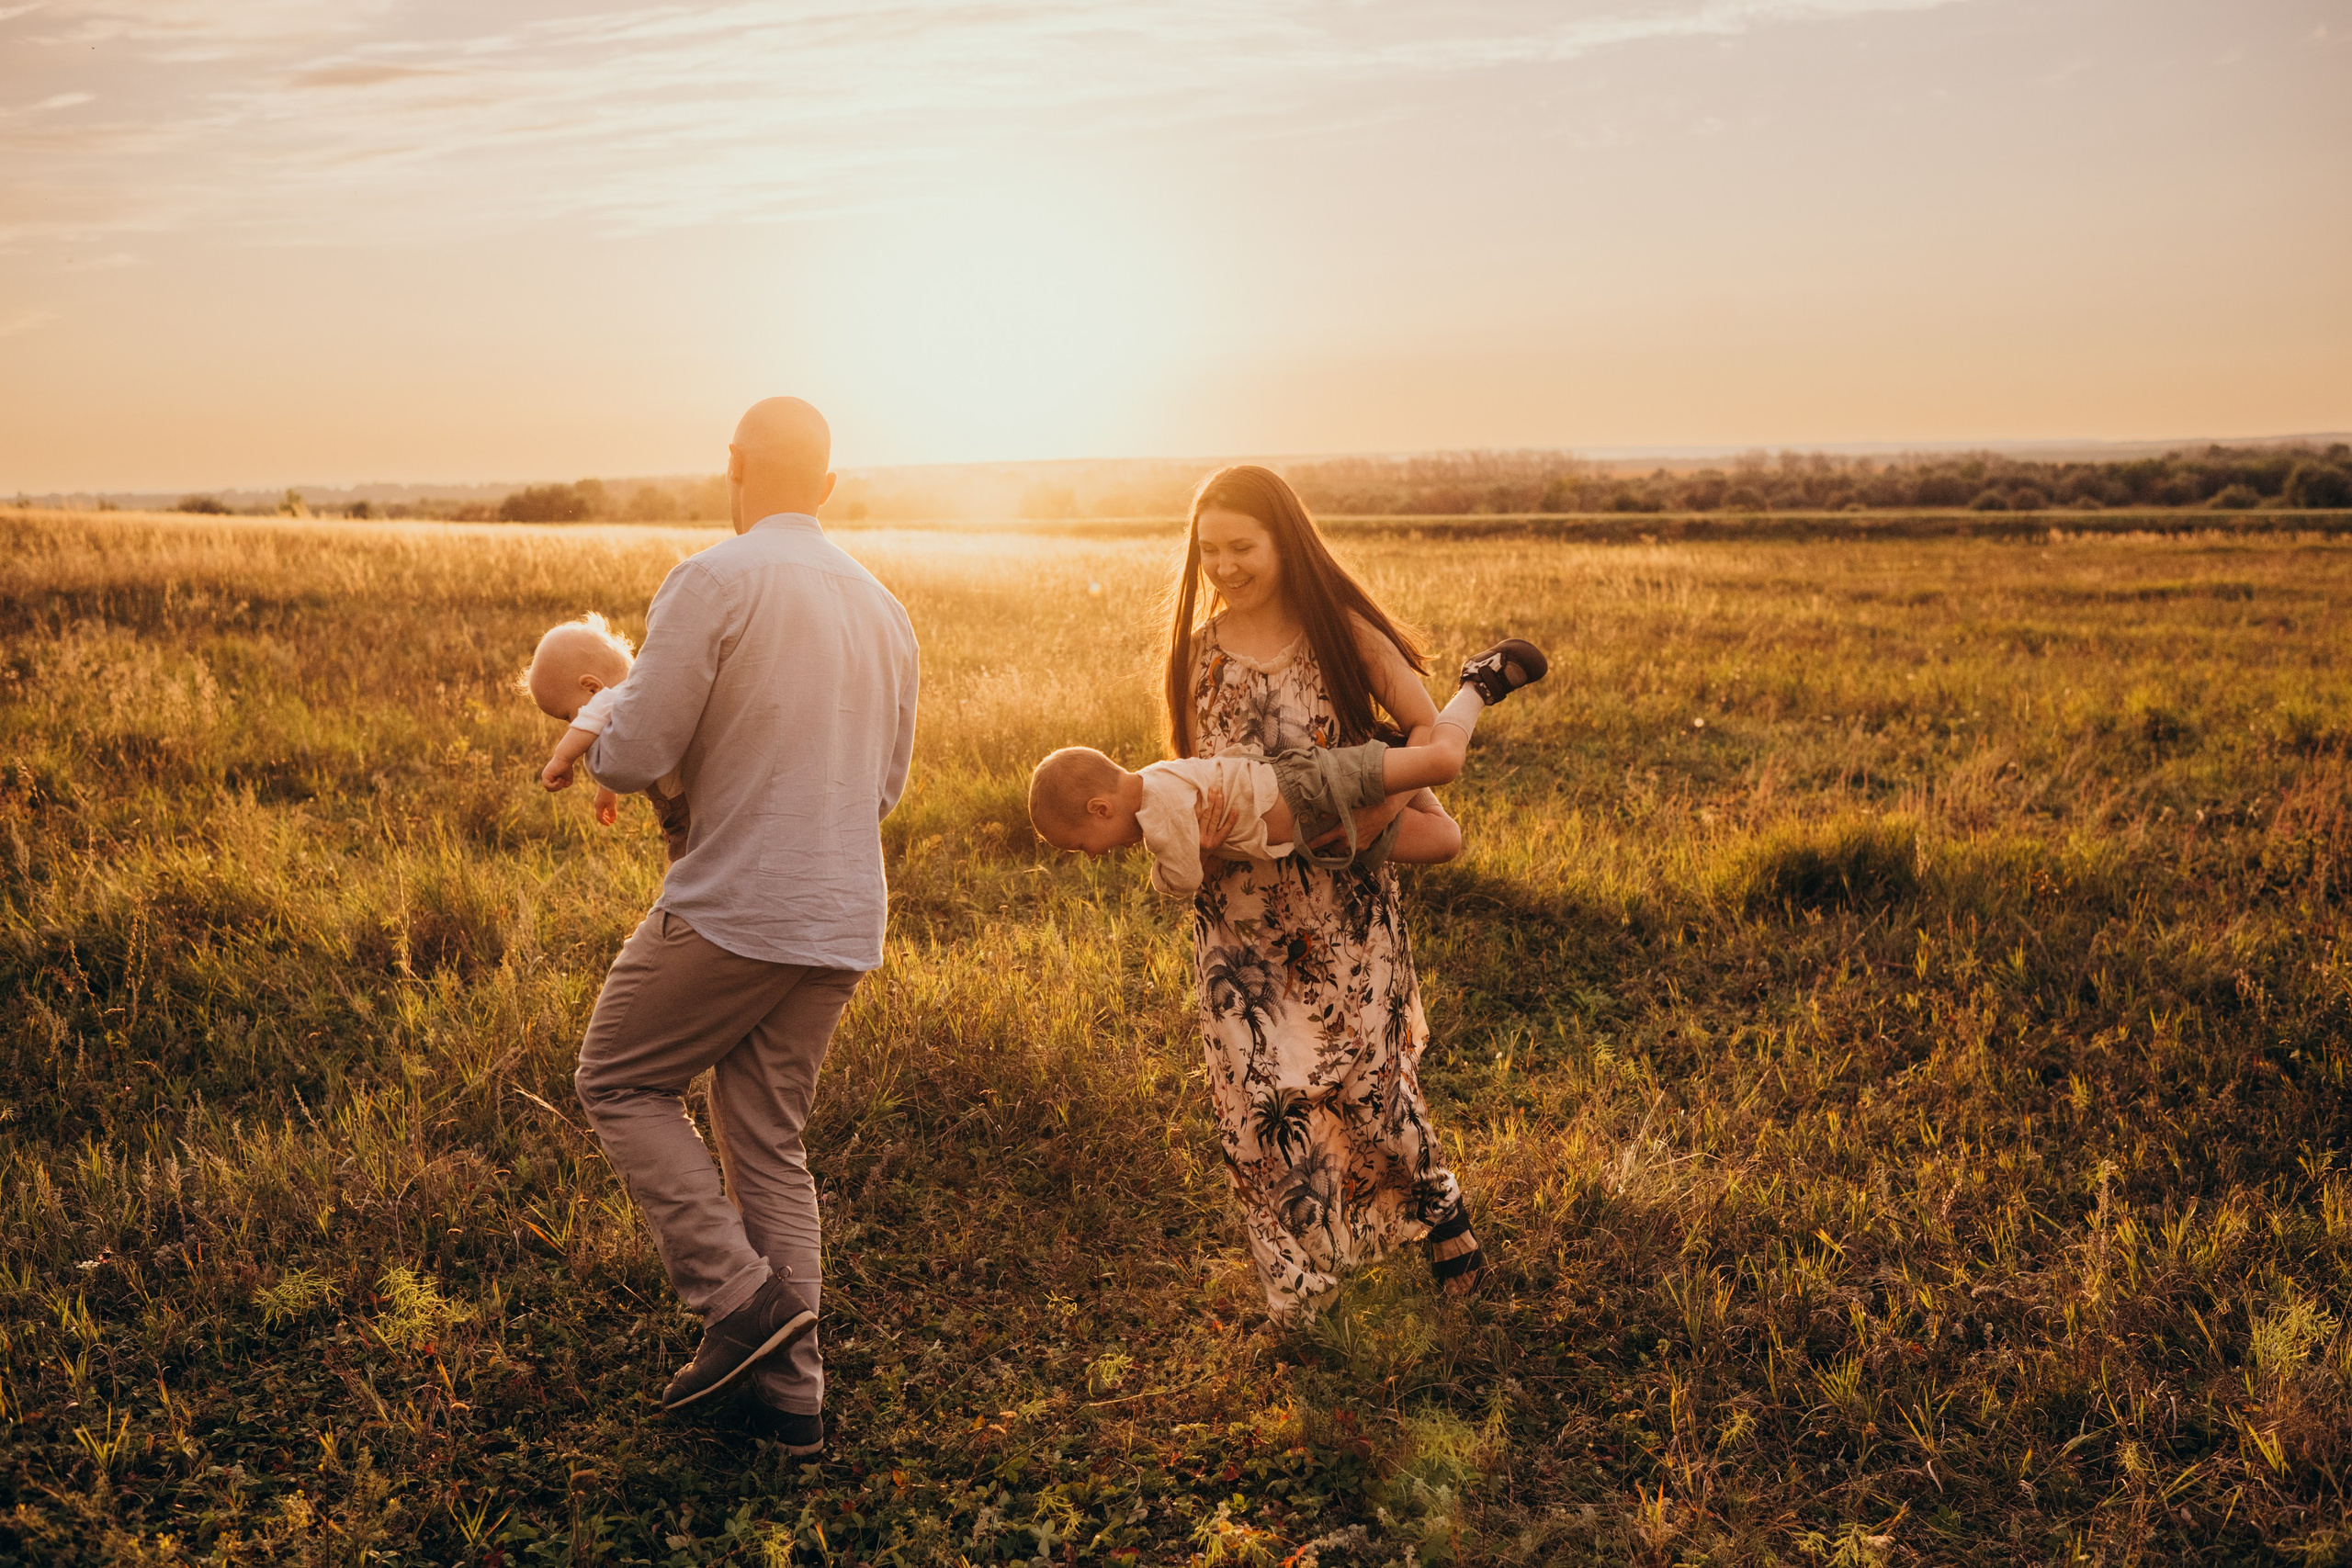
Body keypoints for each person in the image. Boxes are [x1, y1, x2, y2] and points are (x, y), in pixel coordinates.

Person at [567, 397, 919, 1455]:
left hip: (737, 906)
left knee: (616, 1078)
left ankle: (740, 1302)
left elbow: (632, 756)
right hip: (843, 911)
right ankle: (792, 1409)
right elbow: (887, 786)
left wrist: (594, 718)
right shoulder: (884, 606)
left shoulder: (713, 580)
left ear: (732, 466)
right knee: (768, 1141)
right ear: (825, 486)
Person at [1162, 464, 1532, 1320]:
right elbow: (1193, 778)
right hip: (1240, 922)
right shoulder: (1199, 655)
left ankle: (1439, 1209)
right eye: (1207, 549)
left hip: (1339, 909)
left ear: (1283, 540)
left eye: (1240, 547)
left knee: (1364, 1083)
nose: (1222, 565)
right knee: (1256, 1100)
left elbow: (1425, 735)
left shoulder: (1343, 632)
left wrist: (1369, 820)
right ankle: (1299, 1294)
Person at [1025, 633, 1546, 895]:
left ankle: (1479, 683)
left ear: (1099, 808)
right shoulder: (1159, 782)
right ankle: (1391, 752)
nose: (1090, 857)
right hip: (1315, 827)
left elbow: (1179, 881)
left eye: (1079, 846)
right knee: (1444, 840)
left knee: (1443, 762)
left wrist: (1175, 871)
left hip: (1307, 789)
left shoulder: (1156, 806)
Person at [519, 612, 692, 862]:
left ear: (592, 688)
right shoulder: (632, 698)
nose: (573, 725)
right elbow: (615, 742)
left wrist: (562, 759)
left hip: (684, 812)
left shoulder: (616, 696)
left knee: (686, 875)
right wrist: (607, 790)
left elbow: (591, 721)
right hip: (692, 803)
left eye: (568, 716)